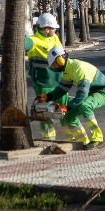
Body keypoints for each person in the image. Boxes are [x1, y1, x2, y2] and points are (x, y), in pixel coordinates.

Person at [45, 45, 105, 149]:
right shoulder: (67, 70)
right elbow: (62, 89)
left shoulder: (78, 68)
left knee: (85, 106)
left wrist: (66, 108)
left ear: (60, 60)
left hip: (103, 92)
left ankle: (98, 139)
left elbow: (82, 95)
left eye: (54, 64)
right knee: (69, 116)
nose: (54, 67)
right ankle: (83, 141)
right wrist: (46, 97)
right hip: (91, 92)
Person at [25, 12, 64, 141]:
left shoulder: (54, 38)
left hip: (60, 81)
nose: (55, 30)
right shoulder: (33, 41)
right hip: (43, 83)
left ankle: (71, 134)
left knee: (63, 109)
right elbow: (24, 43)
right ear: (46, 29)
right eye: (53, 28)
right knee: (45, 111)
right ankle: (48, 139)